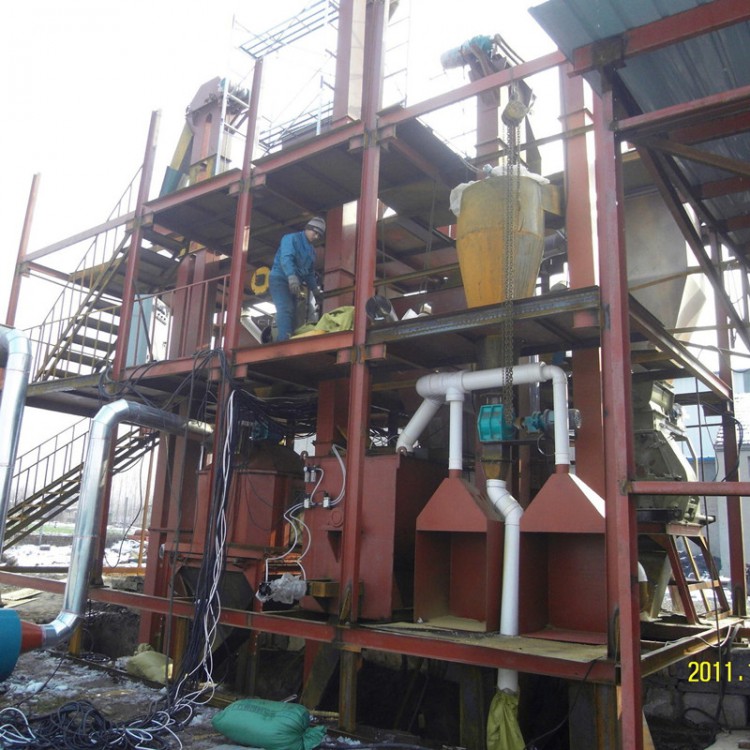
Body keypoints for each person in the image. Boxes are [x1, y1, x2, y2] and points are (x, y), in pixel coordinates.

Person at [269, 217, 326, 341]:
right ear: (308, 229)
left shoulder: (311, 252)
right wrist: (291, 275)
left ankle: (290, 338)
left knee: (294, 313)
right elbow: (286, 258)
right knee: (286, 308)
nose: (316, 237)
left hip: (294, 284)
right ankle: (283, 340)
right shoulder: (290, 239)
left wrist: (315, 290)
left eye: (319, 235)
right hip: (280, 279)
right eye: (315, 232)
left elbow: (309, 273)